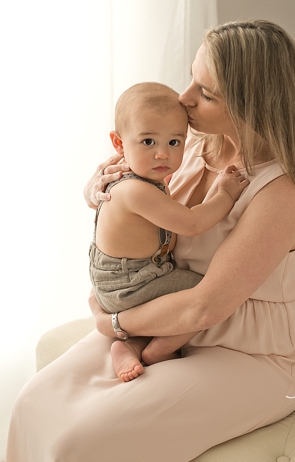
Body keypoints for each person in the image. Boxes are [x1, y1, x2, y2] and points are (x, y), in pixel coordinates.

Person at [7, 20, 295, 462]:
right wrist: (97, 186)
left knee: (78, 443)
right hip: (167, 319)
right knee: (32, 403)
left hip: (253, 350)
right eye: (193, 77)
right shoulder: (188, 146)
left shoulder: (284, 195)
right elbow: (120, 180)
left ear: (249, 105)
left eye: (206, 92)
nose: (184, 97)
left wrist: (115, 324)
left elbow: (205, 306)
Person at [91, 82, 249, 382]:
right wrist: (226, 195)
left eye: (174, 143)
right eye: (148, 142)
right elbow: (190, 223)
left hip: (124, 279)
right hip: (129, 285)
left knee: (204, 297)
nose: (162, 154)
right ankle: (159, 351)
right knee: (203, 294)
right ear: (119, 143)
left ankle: (131, 346)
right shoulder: (136, 190)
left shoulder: (142, 175)